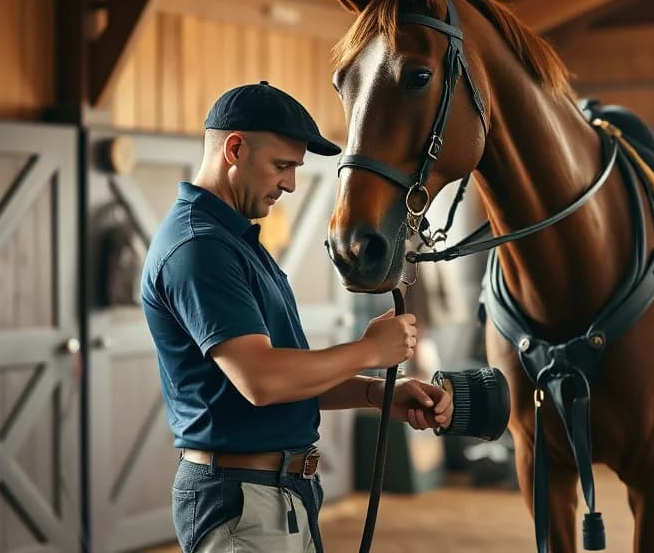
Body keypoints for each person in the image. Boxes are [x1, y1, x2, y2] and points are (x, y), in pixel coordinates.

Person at [141, 81, 453, 553]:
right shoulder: (200, 248)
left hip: (278, 493)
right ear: (234, 148)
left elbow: (288, 379)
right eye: (282, 166)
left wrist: (376, 392)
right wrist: (369, 350)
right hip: (243, 500)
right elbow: (262, 380)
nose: (290, 184)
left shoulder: (236, 243)